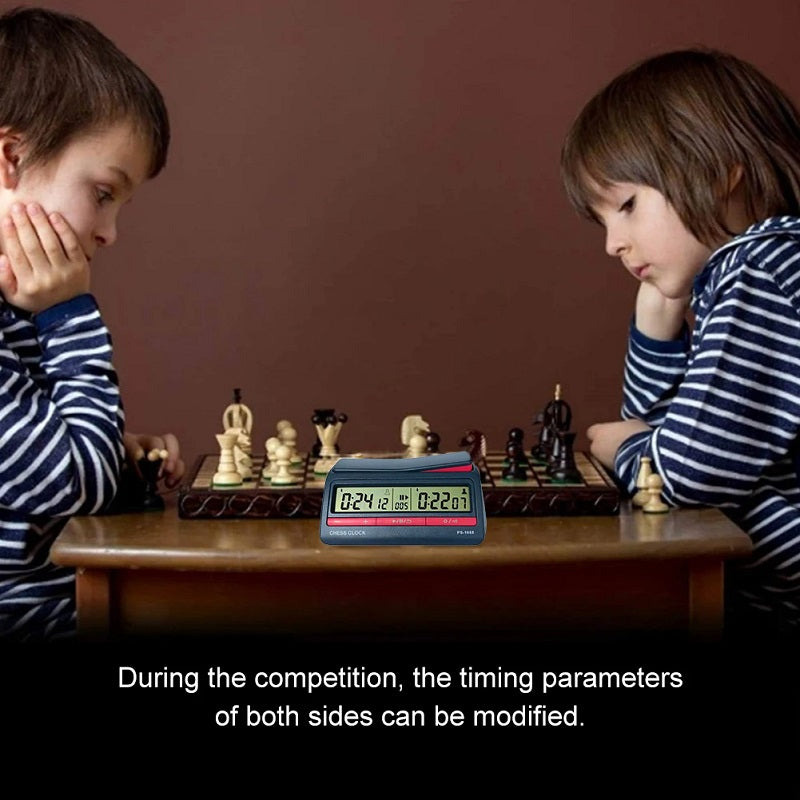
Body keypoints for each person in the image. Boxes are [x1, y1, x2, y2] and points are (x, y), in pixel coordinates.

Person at [560, 48, 800, 637]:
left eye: (627, 206)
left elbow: (683, 477)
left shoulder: (760, 268)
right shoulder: (749, 272)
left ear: (718, 172)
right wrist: (656, 324)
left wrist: (624, 451)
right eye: (603, 222)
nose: (613, 244)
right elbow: (671, 435)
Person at [0, 7, 183, 641]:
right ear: (11, 156)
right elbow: (76, 484)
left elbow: (54, 478)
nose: (109, 233)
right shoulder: (49, 312)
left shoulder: (16, 309)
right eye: (103, 193)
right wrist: (69, 315)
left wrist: (119, 456)